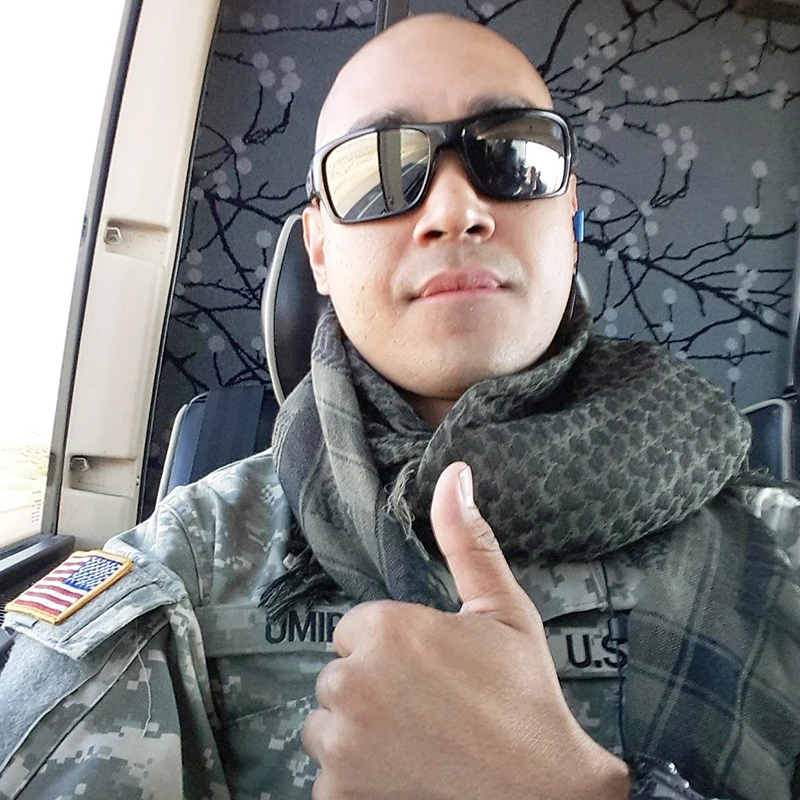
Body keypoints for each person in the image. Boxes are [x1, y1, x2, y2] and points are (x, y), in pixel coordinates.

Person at [1, 13, 798, 800]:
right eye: (379, 169)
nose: (455, 212)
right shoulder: (187, 564)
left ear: (571, 217)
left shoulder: (780, 549)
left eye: (514, 153)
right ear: (319, 250)